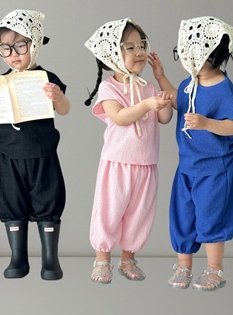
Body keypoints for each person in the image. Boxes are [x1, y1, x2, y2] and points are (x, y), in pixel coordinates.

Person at [0, 9, 70, 280]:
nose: (13, 54)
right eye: (5, 48)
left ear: (35, 44)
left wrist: (57, 97)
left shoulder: (47, 78)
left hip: (43, 153)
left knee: (48, 199)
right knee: (10, 201)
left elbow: (65, 110)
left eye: (21, 45)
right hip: (8, 155)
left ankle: (50, 260)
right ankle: (18, 258)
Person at [149, 16, 233, 291]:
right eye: (181, 53)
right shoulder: (189, 83)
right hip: (188, 166)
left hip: (215, 168)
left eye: (189, 54)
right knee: (183, 216)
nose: (184, 59)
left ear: (210, 54)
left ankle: (215, 269)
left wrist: (207, 124)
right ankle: (184, 266)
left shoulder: (222, 88)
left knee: (211, 215)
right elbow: (178, 99)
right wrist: (160, 78)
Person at [84, 18, 173, 284]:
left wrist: (161, 94)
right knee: (110, 210)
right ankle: (102, 259)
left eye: (141, 45)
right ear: (113, 55)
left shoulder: (149, 88)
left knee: (139, 213)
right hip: (118, 162)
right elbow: (120, 117)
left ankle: (128, 258)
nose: (139, 52)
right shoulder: (108, 88)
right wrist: (147, 105)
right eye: (130, 47)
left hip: (146, 164)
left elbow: (165, 118)